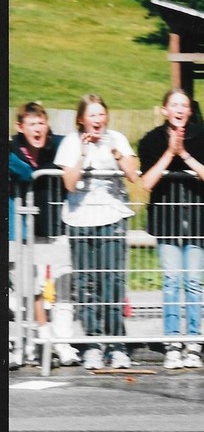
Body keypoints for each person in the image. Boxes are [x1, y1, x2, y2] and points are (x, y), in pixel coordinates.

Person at [54, 93, 137, 369]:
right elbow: (69, 182)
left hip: (112, 217)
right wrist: (83, 152)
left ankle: (117, 344)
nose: (98, 120)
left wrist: (115, 152)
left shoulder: (117, 138)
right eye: (92, 115)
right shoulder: (70, 143)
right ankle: (93, 343)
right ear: (81, 119)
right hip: (81, 219)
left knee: (112, 282)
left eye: (101, 114)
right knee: (87, 283)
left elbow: (133, 173)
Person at [138, 89, 204, 370]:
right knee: (172, 281)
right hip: (166, 222)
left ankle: (193, 341)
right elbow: (146, 182)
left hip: (195, 221)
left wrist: (183, 153)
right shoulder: (151, 140)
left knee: (193, 282)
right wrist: (169, 153)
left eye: (184, 105)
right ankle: (172, 342)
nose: (179, 109)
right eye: (174, 105)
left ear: (190, 111)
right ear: (164, 110)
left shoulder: (203, 138)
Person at [8, 101, 79, 367]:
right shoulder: (13, 147)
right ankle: (35, 340)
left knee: (62, 285)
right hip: (23, 231)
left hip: (54, 225)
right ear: (21, 127)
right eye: (32, 124)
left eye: (41, 123)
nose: (38, 129)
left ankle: (63, 343)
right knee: (30, 290)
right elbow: (26, 173)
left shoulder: (59, 144)